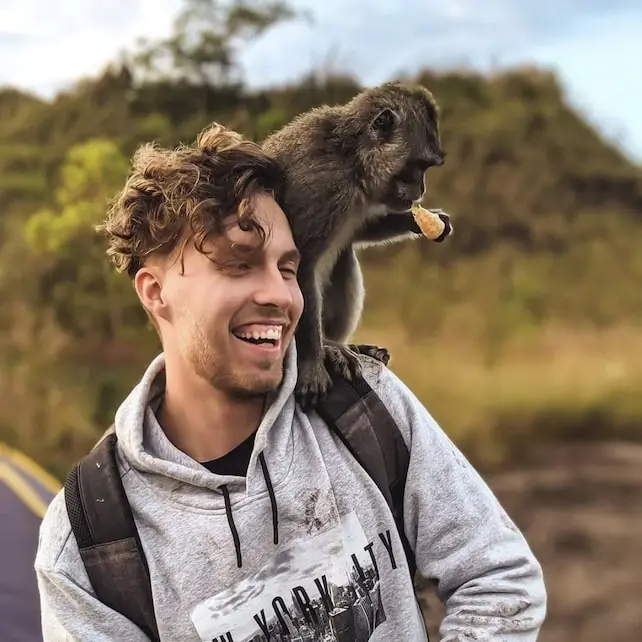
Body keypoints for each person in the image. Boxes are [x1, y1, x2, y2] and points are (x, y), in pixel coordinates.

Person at [35, 124, 546, 641]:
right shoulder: (89, 540)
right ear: (154, 291)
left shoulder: (366, 409)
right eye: (238, 265)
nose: (280, 295)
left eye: (288, 267)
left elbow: (499, 580)